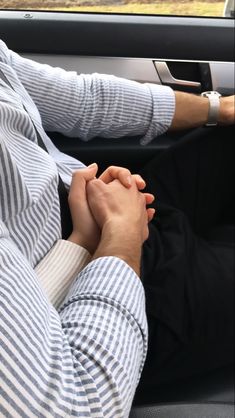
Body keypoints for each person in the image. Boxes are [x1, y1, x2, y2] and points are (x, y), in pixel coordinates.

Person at [0, 37, 234, 416]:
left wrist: (216, 107)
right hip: (100, 302)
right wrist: (114, 240)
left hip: (102, 221)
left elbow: (84, 99)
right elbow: (74, 406)